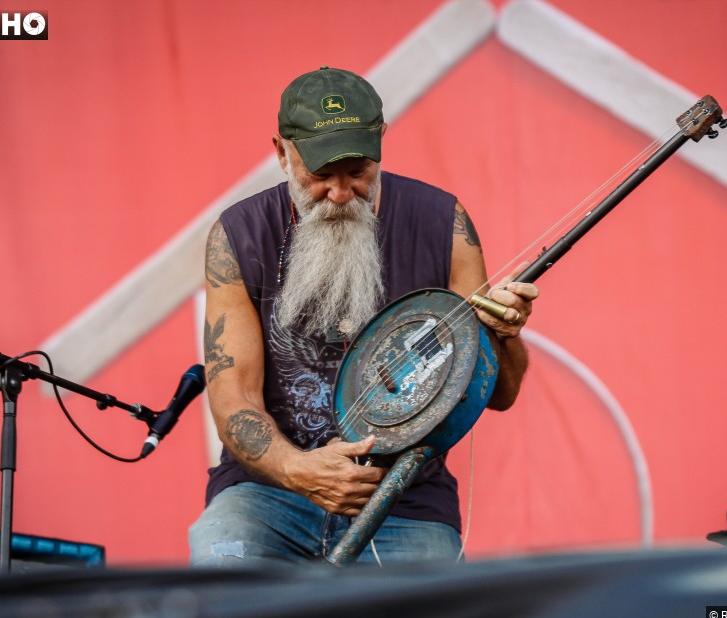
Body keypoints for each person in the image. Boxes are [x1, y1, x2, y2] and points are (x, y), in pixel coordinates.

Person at [189, 66, 538, 566]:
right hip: (268, 492)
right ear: (282, 153)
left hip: (405, 499)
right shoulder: (238, 234)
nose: (340, 193)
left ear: (381, 144)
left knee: (432, 612)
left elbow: (500, 394)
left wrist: (505, 335)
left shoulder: (445, 223)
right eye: (320, 175)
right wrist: (299, 471)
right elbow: (233, 396)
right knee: (221, 568)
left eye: (358, 172)